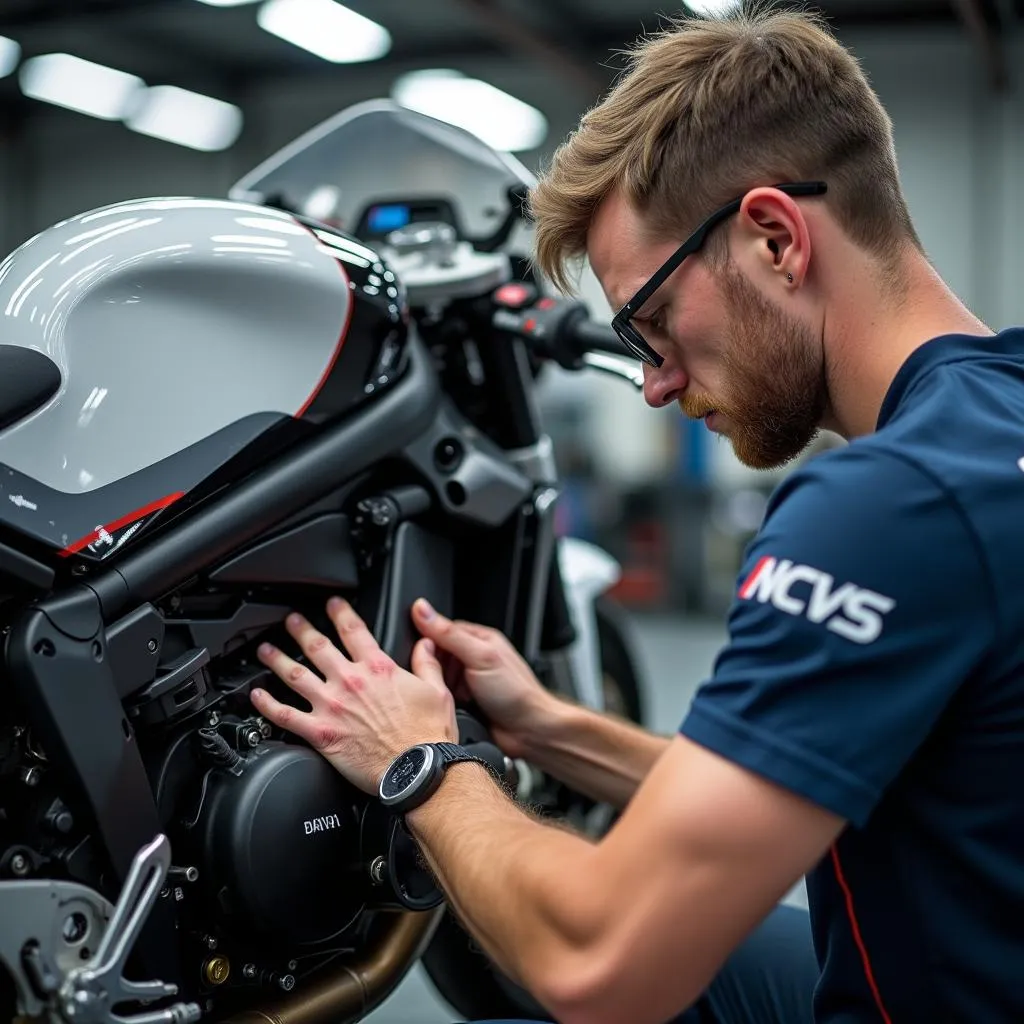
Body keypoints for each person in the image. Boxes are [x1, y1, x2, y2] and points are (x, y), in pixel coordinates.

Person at [248, 5, 1024, 1022]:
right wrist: (548, 726)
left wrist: (420, 763)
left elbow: (600, 963)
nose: (652, 384)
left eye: (652, 322)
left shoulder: (884, 506)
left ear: (775, 238)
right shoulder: (990, 420)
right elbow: (801, 781)